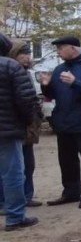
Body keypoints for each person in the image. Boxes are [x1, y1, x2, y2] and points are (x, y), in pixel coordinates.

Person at [39, 36, 81, 209]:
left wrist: (76, 82)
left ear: (73, 48)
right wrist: (46, 86)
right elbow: (53, 94)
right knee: (66, 161)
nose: (58, 52)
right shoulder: (60, 69)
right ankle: (70, 193)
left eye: (61, 48)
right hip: (64, 123)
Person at [0, 34, 40, 231]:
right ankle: (15, 217)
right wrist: (25, 122)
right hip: (7, 131)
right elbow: (27, 99)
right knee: (13, 172)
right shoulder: (10, 66)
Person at [5, 40, 44, 207]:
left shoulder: (25, 72)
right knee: (13, 168)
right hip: (14, 126)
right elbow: (22, 100)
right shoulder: (10, 70)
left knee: (28, 163)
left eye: (29, 54)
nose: (28, 58)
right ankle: (11, 204)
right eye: (24, 54)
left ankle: (27, 195)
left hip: (27, 128)